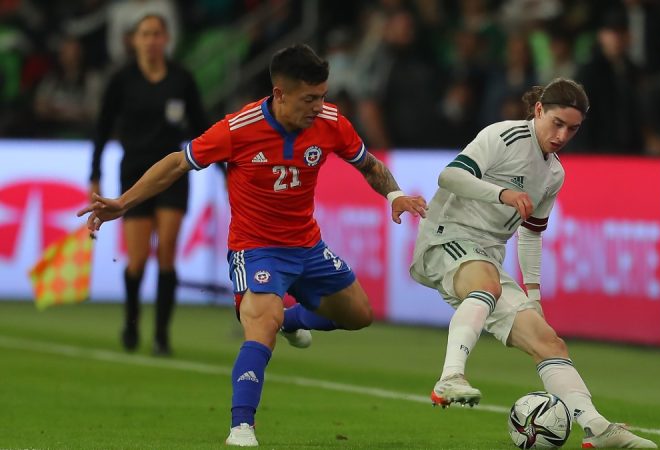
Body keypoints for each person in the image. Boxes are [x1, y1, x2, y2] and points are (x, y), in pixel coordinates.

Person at [79, 43, 427, 447]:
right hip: (256, 248)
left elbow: (368, 164)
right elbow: (177, 163)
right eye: (309, 98)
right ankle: (241, 427)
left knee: (359, 315)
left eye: (323, 96)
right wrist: (122, 201)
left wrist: (395, 195)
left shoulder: (331, 121)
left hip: (308, 246)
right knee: (261, 327)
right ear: (280, 94)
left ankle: (291, 321)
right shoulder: (238, 129)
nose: (319, 106)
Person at [409, 78, 657, 448]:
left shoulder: (554, 173)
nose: (562, 135)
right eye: (556, 123)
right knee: (486, 284)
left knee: (550, 342)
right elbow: (450, 176)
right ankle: (450, 377)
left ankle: (596, 427)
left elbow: (531, 233)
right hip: (446, 237)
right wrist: (502, 193)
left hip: (488, 257)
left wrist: (534, 294)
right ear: (539, 110)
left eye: (572, 129)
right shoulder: (503, 136)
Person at [89, 14, 208, 356]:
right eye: (146, 34)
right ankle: (131, 320)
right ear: (135, 40)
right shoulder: (122, 80)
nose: (152, 40)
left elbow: (202, 128)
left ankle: (161, 335)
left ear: (166, 38)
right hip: (136, 175)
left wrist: (226, 171)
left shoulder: (182, 79)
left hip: (172, 172)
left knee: (167, 248)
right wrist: (94, 174)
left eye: (157, 34)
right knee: (138, 258)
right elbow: (102, 129)